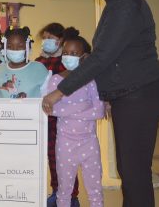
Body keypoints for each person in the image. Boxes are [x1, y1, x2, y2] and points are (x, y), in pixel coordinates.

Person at [42, 0, 159, 207]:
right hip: (130, 94)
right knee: (131, 170)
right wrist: (107, 95)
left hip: (138, 95)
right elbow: (112, 58)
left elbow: (102, 57)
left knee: (134, 172)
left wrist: (59, 92)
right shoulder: (120, 3)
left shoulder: (127, 5)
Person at [47, 29, 105, 207]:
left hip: (89, 143)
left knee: (95, 190)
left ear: (84, 57)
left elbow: (99, 111)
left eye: (74, 53)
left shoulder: (91, 81)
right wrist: (82, 107)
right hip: (65, 144)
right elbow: (51, 109)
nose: (68, 56)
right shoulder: (55, 81)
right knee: (64, 191)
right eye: (65, 53)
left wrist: (67, 108)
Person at [36, 24, 80, 207]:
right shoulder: (39, 62)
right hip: (45, 118)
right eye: (44, 37)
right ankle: (56, 192)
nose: (46, 41)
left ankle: (72, 196)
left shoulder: (67, 62)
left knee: (65, 159)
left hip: (64, 118)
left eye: (50, 37)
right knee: (51, 158)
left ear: (60, 40)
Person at [0, 26, 49, 98]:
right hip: (5, 109)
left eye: (20, 46)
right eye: (10, 46)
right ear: (4, 48)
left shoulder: (39, 69)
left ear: (27, 47)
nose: (15, 50)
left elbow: (46, 99)